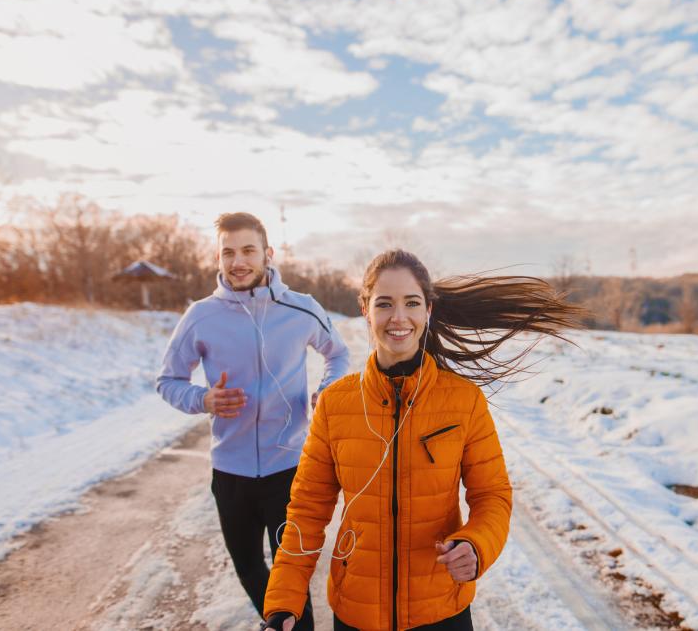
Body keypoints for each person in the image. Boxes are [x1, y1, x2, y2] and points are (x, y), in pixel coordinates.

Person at [262, 249, 585, 631]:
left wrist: (476, 544)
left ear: (428, 310)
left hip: (442, 611)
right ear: (365, 309)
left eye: (411, 303)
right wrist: (284, 599)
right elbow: (307, 511)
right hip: (357, 613)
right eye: (384, 304)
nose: (398, 318)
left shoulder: (463, 401)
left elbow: (493, 495)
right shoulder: (336, 404)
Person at [156, 212, 350, 631]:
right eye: (228, 252)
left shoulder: (300, 309)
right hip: (231, 472)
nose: (237, 261)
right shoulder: (201, 316)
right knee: (248, 568)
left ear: (268, 254)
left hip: (289, 470)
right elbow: (167, 381)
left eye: (247, 250)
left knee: (291, 574)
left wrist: (328, 389)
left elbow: (338, 353)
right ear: (218, 257)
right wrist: (203, 398)